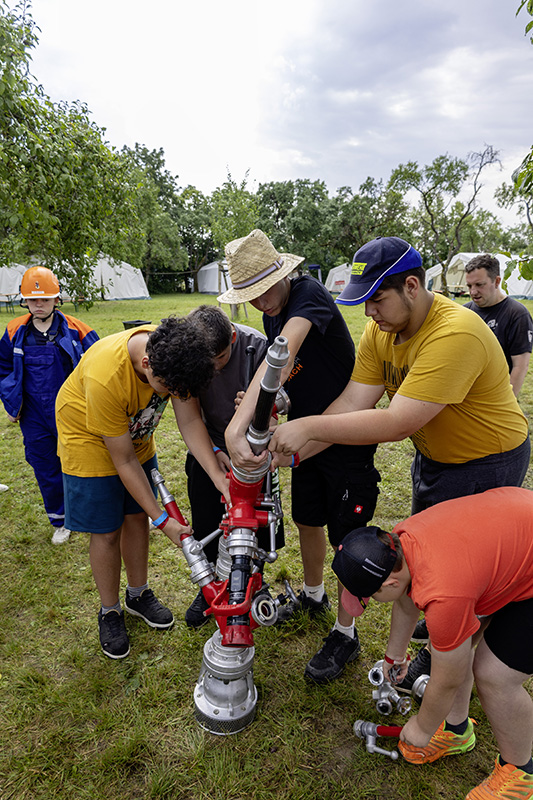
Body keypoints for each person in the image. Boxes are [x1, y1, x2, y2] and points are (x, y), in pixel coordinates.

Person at [267, 236, 530, 685]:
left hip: (488, 462)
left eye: (376, 299)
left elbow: (397, 422)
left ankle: (454, 654)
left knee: (470, 570)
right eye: (362, 302)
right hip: (434, 458)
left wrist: (306, 428)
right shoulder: (381, 332)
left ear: (412, 285)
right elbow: (353, 400)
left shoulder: (455, 332)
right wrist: (288, 457)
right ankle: (417, 646)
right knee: (420, 561)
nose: (368, 312)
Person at [222, 229, 380, 684]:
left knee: (347, 539)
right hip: (303, 432)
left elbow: (285, 352)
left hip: (344, 431)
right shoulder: (274, 311)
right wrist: (274, 406)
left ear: (283, 274)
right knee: (307, 517)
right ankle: (314, 596)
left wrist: (241, 424)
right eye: (251, 297)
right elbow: (289, 375)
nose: (263, 303)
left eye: (266, 290)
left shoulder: (307, 294)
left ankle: (345, 634)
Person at [332, 488, 533, 800]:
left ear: (389, 583)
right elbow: (405, 600)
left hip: (524, 557)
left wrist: (423, 727)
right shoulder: (399, 540)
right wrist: (394, 655)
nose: (369, 601)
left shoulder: (444, 595)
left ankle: (520, 774)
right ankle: (456, 731)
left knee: (495, 676)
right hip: (513, 543)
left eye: (369, 596)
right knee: (462, 645)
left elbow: (447, 679)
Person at [55, 317, 214, 659]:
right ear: (146, 365)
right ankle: (110, 610)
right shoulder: (106, 375)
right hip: (88, 438)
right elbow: (123, 460)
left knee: (137, 516)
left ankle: (138, 594)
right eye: (167, 391)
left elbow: (189, 420)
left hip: (133, 435)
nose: (172, 398)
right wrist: (163, 520)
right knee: (108, 530)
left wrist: (219, 478)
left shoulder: (175, 355)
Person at [174, 304, 276, 628]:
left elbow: (285, 399)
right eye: (206, 365)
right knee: (206, 519)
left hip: (253, 450)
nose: (213, 370)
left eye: (219, 360)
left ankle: (250, 581)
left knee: (257, 523)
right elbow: (189, 419)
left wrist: (265, 408)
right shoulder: (185, 353)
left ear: (233, 337)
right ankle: (210, 587)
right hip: (209, 445)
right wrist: (216, 455)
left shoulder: (259, 347)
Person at [0, 266, 99, 544]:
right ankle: (61, 521)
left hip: (72, 412)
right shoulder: (14, 331)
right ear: (25, 300)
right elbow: (3, 366)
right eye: (33, 299)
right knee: (45, 466)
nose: (38, 304)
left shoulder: (78, 329)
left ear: (57, 299)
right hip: (33, 415)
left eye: (45, 299)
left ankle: (91, 513)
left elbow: (101, 363)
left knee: (83, 463)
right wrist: (11, 400)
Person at [464, 253, 533, 397]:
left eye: (479, 285)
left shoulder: (517, 314)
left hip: (495, 397)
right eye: (469, 286)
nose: (473, 292)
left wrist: (506, 402)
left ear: (496, 281)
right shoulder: (464, 311)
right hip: (466, 396)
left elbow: (520, 366)